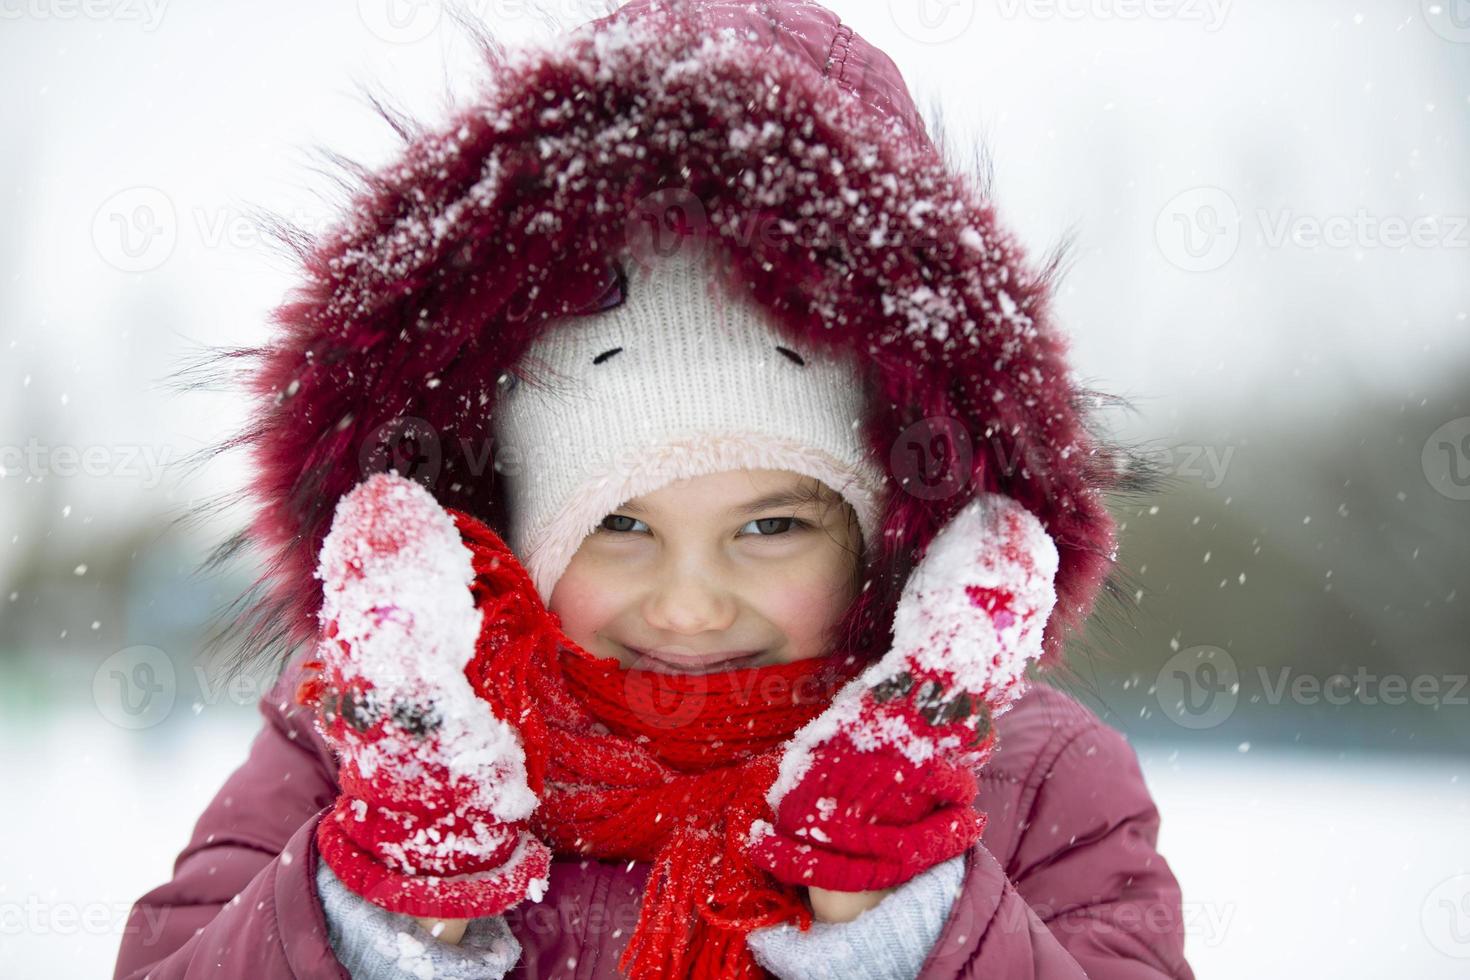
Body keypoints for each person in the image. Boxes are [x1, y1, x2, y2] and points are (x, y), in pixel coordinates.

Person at [114, 2, 1195, 978]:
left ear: (891, 539)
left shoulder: (1038, 784)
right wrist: (383, 903)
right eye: (619, 523)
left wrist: (900, 903)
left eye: (771, 523)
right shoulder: (354, 749)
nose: (688, 606)